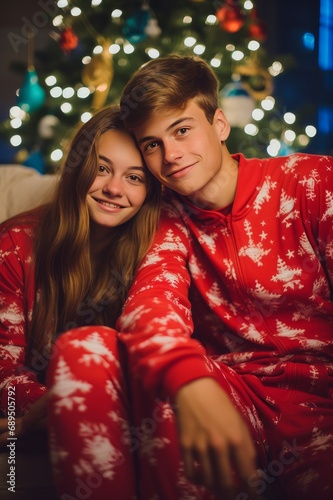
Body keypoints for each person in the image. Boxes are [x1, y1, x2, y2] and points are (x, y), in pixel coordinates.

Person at [47, 55, 333, 500]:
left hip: (323, 414)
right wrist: (191, 382)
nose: (171, 155)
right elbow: (151, 306)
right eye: (152, 144)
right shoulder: (166, 218)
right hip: (229, 398)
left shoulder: (312, 183)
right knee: (88, 346)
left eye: (182, 130)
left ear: (219, 124)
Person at [0, 105, 161, 455]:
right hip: (50, 419)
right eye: (102, 169)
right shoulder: (15, 246)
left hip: (122, 423)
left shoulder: (157, 253)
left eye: (134, 177)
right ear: (77, 168)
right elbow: (4, 372)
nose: (114, 189)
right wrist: (75, 411)